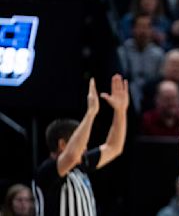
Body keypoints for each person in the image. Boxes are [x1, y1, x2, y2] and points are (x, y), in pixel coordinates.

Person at [32, 74, 129, 216]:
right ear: (62, 144)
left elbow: (114, 147)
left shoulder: (81, 165)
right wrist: (90, 114)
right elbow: (71, 155)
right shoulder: (47, 171)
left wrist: (120, 111)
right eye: (81, 141)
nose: (85, 147)